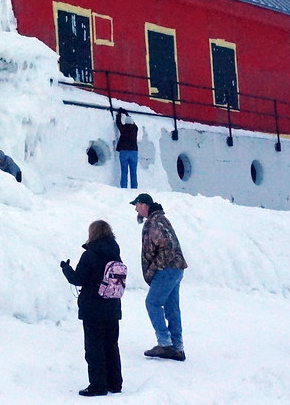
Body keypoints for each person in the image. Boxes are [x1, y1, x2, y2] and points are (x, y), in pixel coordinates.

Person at [60, 220, 123, 397]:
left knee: (94, 347)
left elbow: (78, 279)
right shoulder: (115, 253)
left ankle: (98, 385)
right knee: (111, 345)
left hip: (93, 308)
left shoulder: (90, 255)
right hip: (112, 306)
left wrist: (66, 269)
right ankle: (115, 383)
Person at [132, 193, 187, 361]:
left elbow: (159, 247)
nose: (135, 208)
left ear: (144, 205)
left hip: (166, 268)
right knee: (172, 307)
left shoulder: (153, 223)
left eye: (137, 205)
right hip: (176, 267)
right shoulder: (162, 219)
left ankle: (164, 344)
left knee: (152, 303)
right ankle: (177, 347)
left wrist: (153, 268)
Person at [115, 109, 138, 190]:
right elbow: (134, 123)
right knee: (133, 172)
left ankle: (123, 187)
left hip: (124, 151)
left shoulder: (123, 128)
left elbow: (118, 123)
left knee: (124, 171)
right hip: (134, 152)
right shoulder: (135, 129)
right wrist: (127, 113)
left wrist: (119, 114)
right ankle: (134, 188)